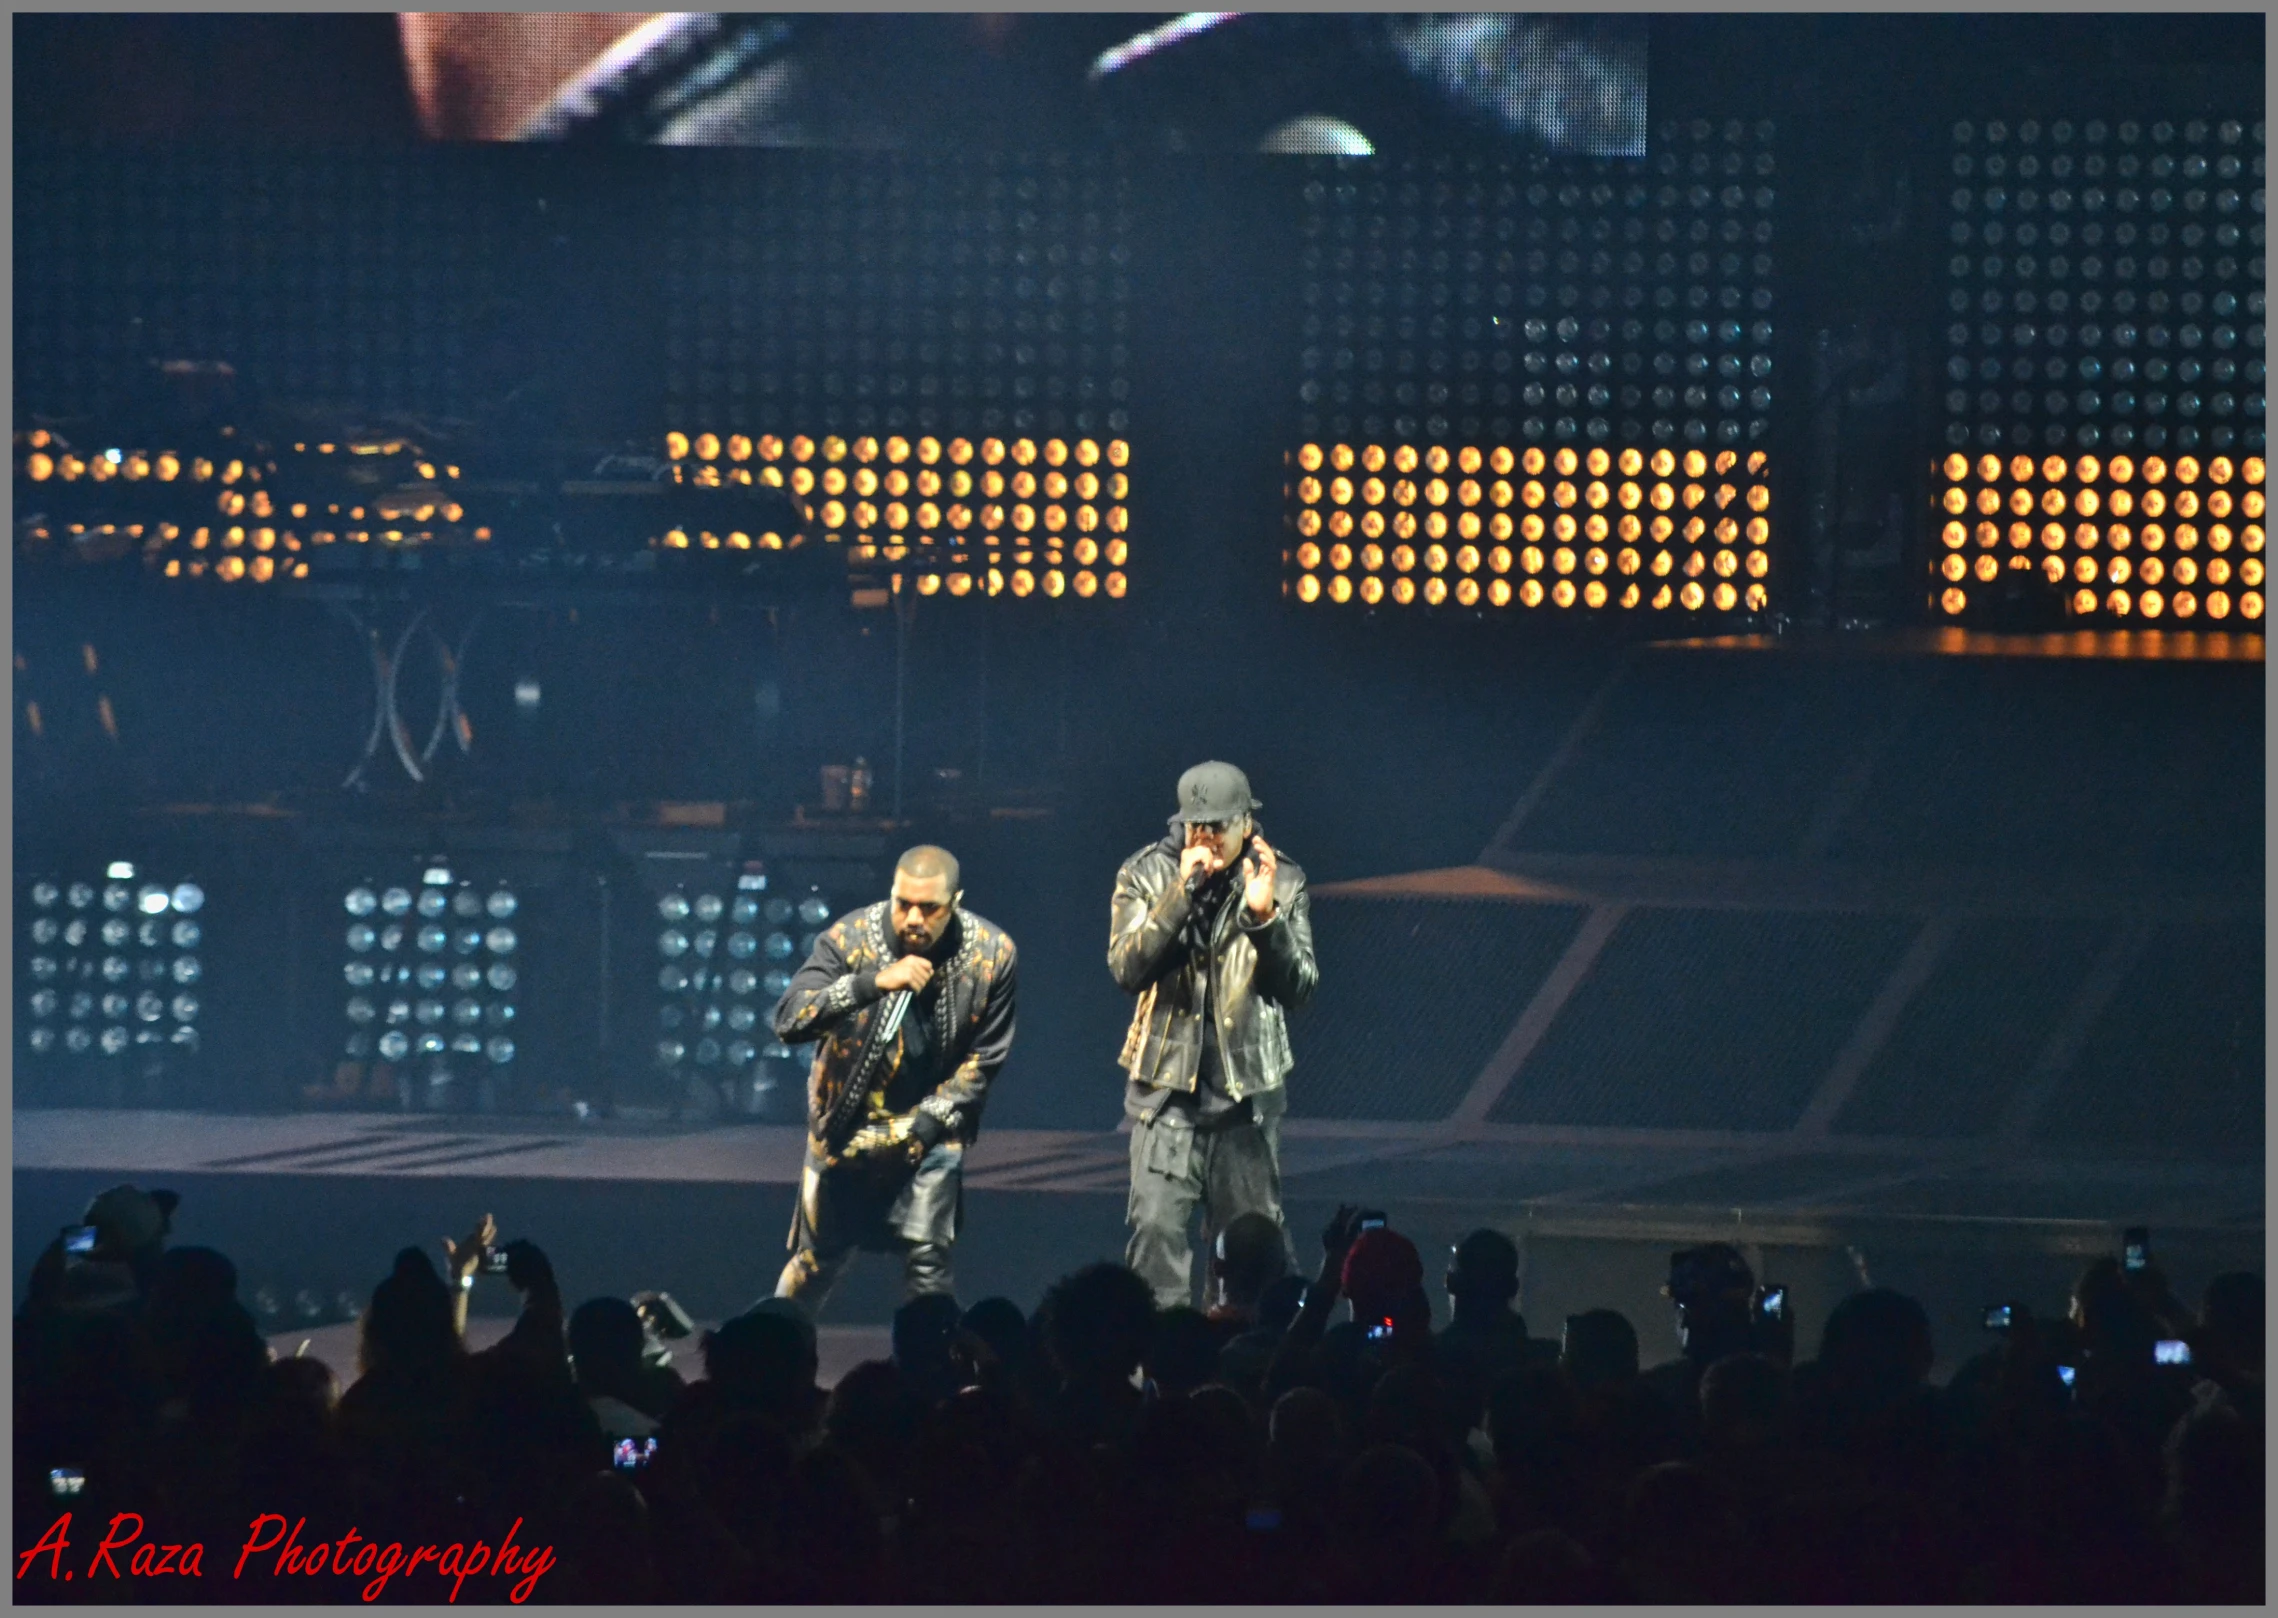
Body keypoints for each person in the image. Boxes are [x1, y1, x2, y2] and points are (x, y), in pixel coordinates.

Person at [772, 844, 1018, 1311]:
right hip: (846, 1128)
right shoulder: (849, 938)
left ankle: (931, 1372)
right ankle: (767, 1358)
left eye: (930, 908)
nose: (913, 919)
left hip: (928, 1127)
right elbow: (789, 1020)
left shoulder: (992, 953)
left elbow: (985, 1057)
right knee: (817, 1262)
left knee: (928, 1264)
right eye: (903, 903)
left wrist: (927, 1127)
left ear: (955, 902)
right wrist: (871, 983)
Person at [1110, 761, 1317, 1309]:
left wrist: (1264, 915)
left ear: (1246, 823)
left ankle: (1241, 1375)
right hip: (1165, 1096)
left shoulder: (1284, 879)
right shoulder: (1146, 873)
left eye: (1218, 826)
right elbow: (1127, 968)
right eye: (1196, 826)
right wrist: (1179, 894)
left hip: (1244, 1101)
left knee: (1251, 1253)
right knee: (1153, 1240)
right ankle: (1159, 1376)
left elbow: (1299, 987)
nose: (1207, 838)